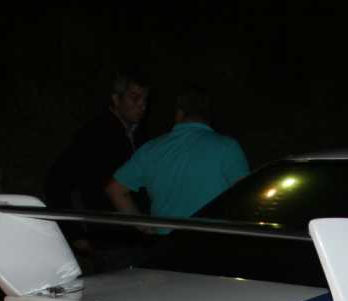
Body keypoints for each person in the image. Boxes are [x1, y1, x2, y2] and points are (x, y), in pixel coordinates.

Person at [105, 84, 248, 233]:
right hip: (212, 242)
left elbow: (115, 190)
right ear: (208, 115)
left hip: (166, 244)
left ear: (179, 113)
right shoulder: (227, 147)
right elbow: (246, 198)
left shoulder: (151, 149)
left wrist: (145, 227)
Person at [45, 70, 151, 254]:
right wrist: (75, 234)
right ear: (116, 99)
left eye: (145, 99)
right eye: (135, 98)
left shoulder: (141, 134)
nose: (142, 105)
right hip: (110, 236)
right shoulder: (94, 134)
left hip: (139, 234)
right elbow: (56, 181)